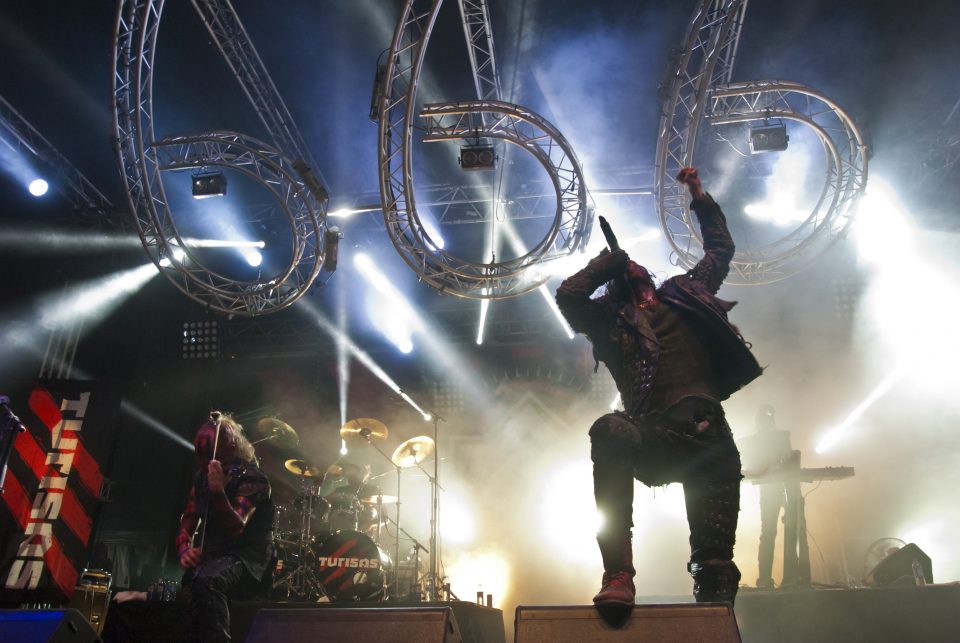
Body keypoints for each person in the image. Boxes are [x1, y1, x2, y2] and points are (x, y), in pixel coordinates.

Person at [556, 167, 762, 607]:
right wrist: (610, 260)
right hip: (655, 439)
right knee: (611, 430)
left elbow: (720, 250)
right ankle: (618, 575)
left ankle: (713, 600)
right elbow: (569, 298)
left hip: (709, 440)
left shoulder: (685, 293)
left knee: (716, 569)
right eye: (624, 271)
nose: (633, 269)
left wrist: (698, 194)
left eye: (635, 266)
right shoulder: (609, 325)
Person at [176, 413, 275, 642]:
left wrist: (219, 491)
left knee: (209, 581)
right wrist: (184, 549)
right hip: (215, 555)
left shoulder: (253, 479)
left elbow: (236, 527)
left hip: (248, 559)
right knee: (189, 590)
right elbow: (186, 524)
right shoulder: (202, 478)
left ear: (231, 446)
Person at [739, 405, 803, 589]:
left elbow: (790, 461)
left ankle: (788, 578)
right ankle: (766, 579)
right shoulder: (755, 441)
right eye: (763, 419)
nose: (765, 422)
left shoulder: (781, 437)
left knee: (783, 532)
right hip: (770, 489)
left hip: (785, 487)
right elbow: (753, 466)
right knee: (769, 533)